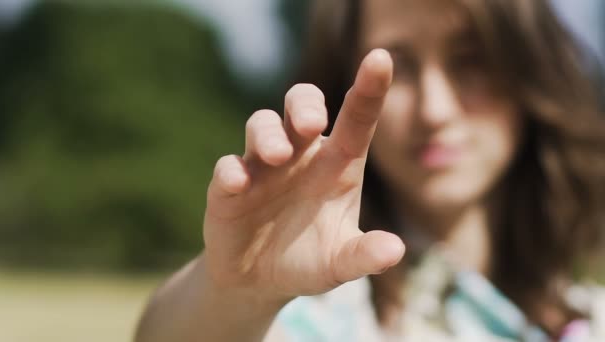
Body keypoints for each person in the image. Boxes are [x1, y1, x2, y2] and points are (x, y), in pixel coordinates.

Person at [134, 0, 605, 340]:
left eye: (471, 61)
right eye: (399, 67)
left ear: (528, 73)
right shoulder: (320, 311)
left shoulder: (590, 317)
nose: (435, 110)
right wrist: (236, 292)